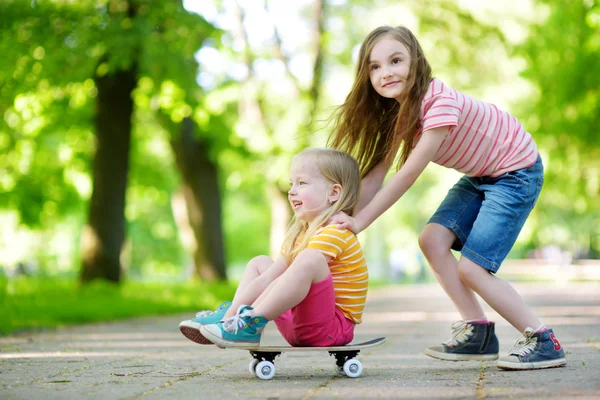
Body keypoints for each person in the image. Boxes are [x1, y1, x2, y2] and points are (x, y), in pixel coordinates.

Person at [327, 25, 567, 370]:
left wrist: (359, 223)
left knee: (472, 268)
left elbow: (407, 174)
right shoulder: (398, 114)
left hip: (516, 172)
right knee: (432, 240)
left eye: (396, 60)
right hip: (483, 174)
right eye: (374, 67)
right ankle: (478, 332)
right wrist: (338, 215)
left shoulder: (438, 103)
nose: (386, 72)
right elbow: (377, 174)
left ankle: (544, 339)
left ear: (417, 62)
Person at [179, 148, 368, 348]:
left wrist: (251, 310)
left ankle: (248, 323)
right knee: (260, 264)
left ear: (334, 193)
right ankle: (232, 320)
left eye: (302, 183)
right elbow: (269, 278)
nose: (292, 191)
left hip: (330, 330)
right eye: (291, 184)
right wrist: (232, 312)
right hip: (299, 324)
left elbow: (283, 280)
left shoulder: (335, 231)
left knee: (310, 259)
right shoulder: (300, 235)